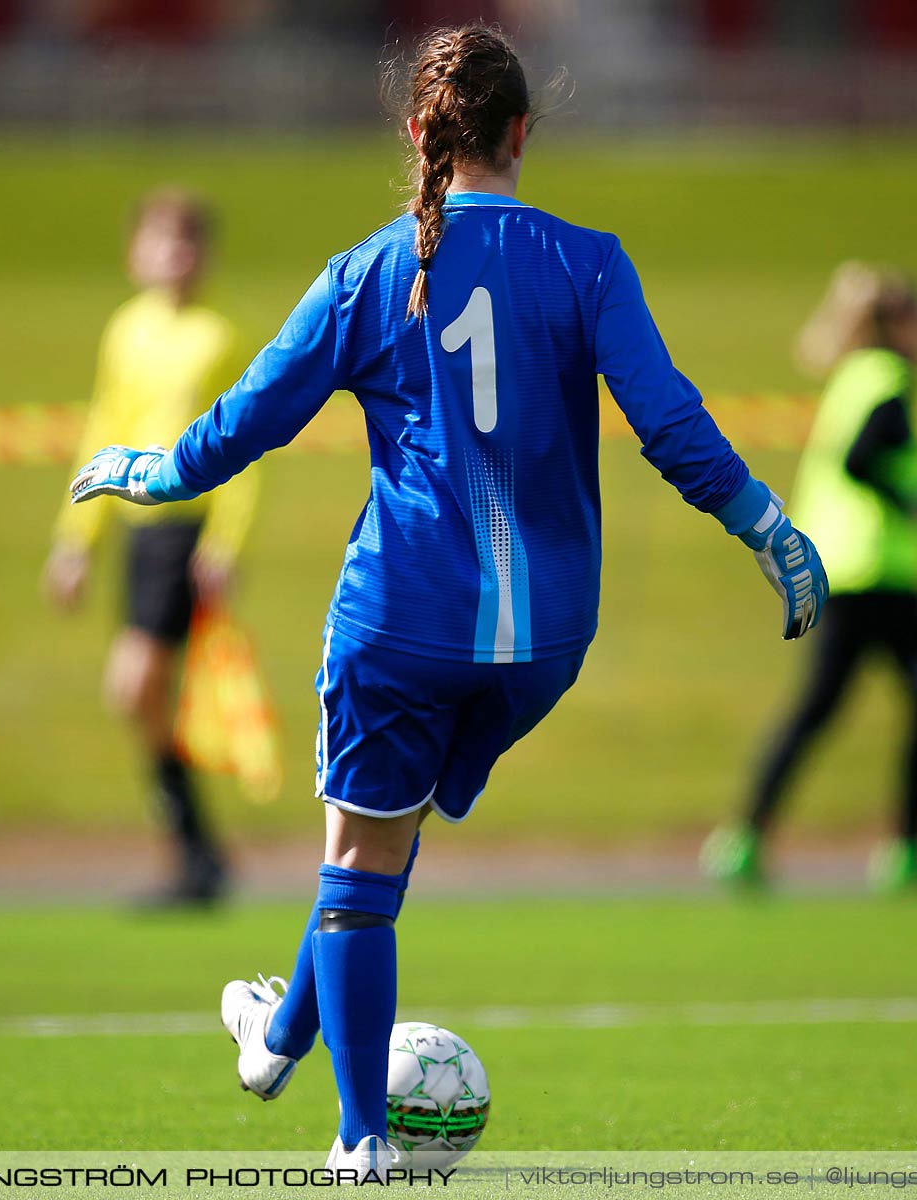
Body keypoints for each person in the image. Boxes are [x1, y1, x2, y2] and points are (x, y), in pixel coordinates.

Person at [68, 24, 827, 1171]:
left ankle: (361, 1139)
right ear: (526, 133)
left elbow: (239, 428)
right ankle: (276, 1037)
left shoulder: (370, 270)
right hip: (545, 643)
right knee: (380, 839)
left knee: (358, 870)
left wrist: (145, 471)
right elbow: (671, 427)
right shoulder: (590, 261)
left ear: (418, 135)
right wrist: (770, 530)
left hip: (404, 621)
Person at [701, 263, 917, 894]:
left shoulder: (854, 377)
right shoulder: (888, 380)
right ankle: (905, 850)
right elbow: (861, 461)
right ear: (902, 324)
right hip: (875, 575)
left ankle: (747, 838)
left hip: (849, 573)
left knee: (825, 708)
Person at [43, 190, 257, 907]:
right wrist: (76, 542)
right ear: (136, 251)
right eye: (163, 241)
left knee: (136, 687)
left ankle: (195, 853)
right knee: (139, 696)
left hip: (184, 529)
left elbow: (246, 446)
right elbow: (106, 425)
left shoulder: (219, 335)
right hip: (136, 531)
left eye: (189, 243)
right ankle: (198, 854)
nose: (176, 256)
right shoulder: (125, 330)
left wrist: (226, 541)